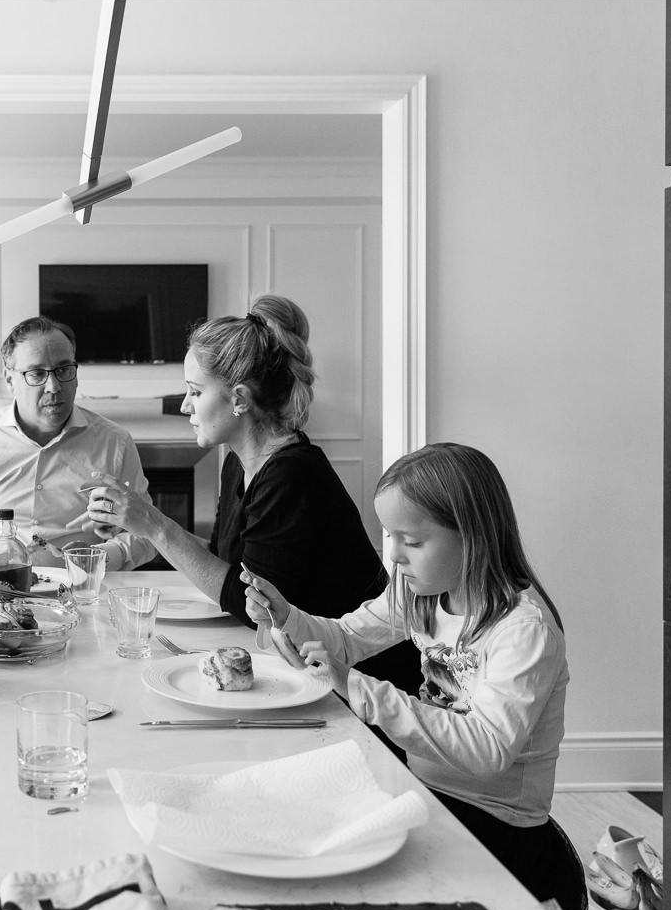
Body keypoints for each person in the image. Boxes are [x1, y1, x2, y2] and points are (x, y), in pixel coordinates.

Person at [244, 443, 585, 910]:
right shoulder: (422, 594)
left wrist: (359, 689)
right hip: (425, 797)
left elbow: (487, 750)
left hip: (497, 829)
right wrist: (288, 615)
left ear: (473, 535)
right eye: (390, 537)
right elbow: (343, 639)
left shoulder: (523, 631)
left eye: (413, 541)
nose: (396, 556)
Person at [81, 294, 420, 692]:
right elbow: (224, 560)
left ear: (239, 399)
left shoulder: (292, 475)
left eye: (195, 391)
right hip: (299, 663)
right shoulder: (239, 462)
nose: (186, 406)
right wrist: (137, 524)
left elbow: (247, 605)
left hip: (361, 682)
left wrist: (156, 526)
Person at [0, 316, 155, 570]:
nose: (53, 387)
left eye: (63, 370)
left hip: (80, 590)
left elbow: (147, 533)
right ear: (10, 380)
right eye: (37, 373)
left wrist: (100, 558)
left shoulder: (115, 442)